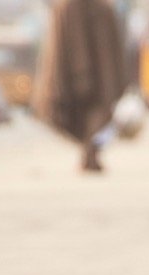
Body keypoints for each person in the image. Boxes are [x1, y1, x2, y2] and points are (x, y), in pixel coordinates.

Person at [33, 0, 129, 172]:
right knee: (95, 113)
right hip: (88, 77)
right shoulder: (71, 8)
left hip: (98, 77)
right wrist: (81, 73)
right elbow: (75, 44)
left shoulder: (96, 9)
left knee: (99, 113)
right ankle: (89, 151)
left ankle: (90, 151)